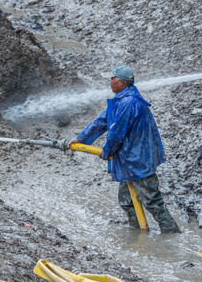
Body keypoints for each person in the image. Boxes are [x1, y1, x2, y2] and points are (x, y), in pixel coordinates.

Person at [68, 65, 180, 233]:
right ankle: (136, 230)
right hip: (129, 160)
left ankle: (171, 233)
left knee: (152, 200)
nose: (110, 82)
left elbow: (115, 134)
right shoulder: (123, 99)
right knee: (126, 200)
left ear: (120, 82)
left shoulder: (128, 102)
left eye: (112, 79)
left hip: (138, 159)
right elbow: (102, 121)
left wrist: (106, 151)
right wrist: (81, 138)